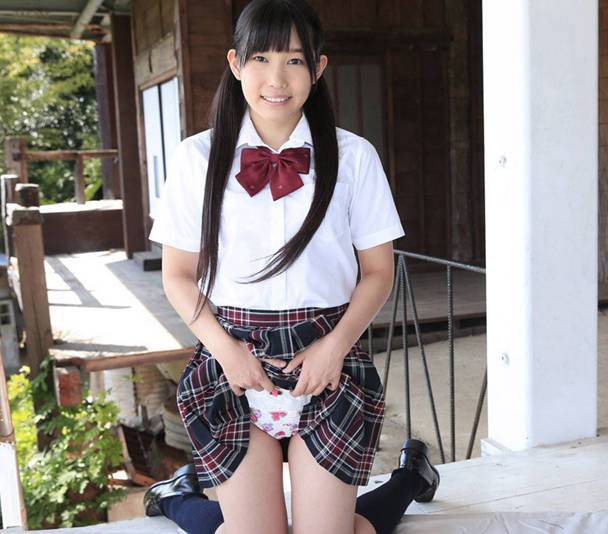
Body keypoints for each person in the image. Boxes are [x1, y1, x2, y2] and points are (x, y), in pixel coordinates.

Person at [141, 1, 439, 533]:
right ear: (236, 63)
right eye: (260, 58)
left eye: (294, 61)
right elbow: (177, 276)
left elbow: (378, 272)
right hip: (234, 364)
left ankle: (408, 477)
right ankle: (175, 497)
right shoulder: (196, 159)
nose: (276, 79)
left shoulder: (354, 157)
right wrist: (225, 351)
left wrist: (335, 347)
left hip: (327, 362)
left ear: (318, 68)